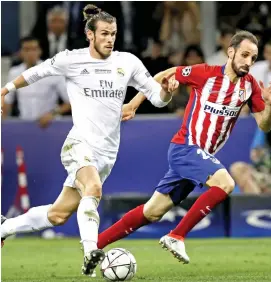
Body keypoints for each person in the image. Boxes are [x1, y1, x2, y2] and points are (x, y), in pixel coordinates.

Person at [0, 4, 179, 276]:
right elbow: (37, 72)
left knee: (59, 214)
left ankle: (4, 228)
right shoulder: (71, 59)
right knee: (93, 190)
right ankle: (90, 252)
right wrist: (6, 89)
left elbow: (156, 97)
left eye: (113, 34)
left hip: (107, 153)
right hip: (78, 144)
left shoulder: (127, 62)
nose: (110, 39)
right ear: (90, 35)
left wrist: (166, 91)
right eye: (105, 34)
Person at [97, 30, 271, 264]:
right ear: (230, 52)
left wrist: (269, 106)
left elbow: (264, 124)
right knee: (226, 183)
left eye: (253, 57)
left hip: (199, 158)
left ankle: (94, 246)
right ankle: (177, 235)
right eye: (245, 55)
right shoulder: (205, 73)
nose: (248, 62)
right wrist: (133, 103)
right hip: (185, 147)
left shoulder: (249, 86)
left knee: (153, 211)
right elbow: (163, 74)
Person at [2, 36, 70, 127]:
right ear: (20, 53)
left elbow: (70, 102)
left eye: (34, 49)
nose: (30, 53)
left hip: (50, 125)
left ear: (40, 51)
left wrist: (52, 114)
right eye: (26, 49)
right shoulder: (14, 73)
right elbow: (7, 102)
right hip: (24, 125)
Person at [230, 129, 271, 194]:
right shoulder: (265, 128)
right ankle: (257, 201)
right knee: (237, 168)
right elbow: (255, 157)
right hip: (262, 175)